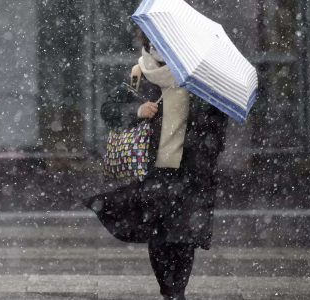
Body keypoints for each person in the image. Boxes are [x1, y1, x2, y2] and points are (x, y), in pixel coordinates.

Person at [89, 30, 228, 300]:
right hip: (153, 172)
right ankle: (169, 291)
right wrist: (137, 111)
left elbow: (217, 124)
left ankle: (177, 292)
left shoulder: (199, 79)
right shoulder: (141, 73)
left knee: (185, 238)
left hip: (191, 172)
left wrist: (200, 145)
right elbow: (108, 109)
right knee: (160, 237)